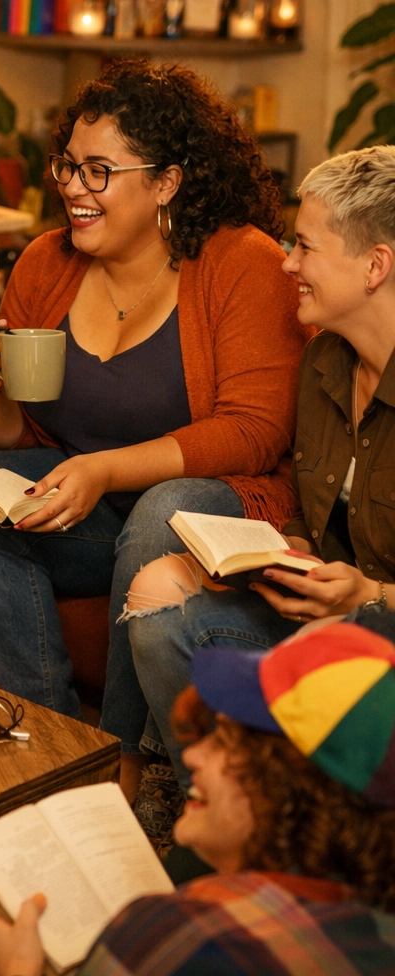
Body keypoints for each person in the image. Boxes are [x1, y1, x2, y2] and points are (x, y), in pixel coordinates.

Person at [0, 59, 307, 799]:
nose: (73, 186)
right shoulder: (46, 263)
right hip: (86, 508)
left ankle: (117, 752)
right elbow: (15, 438)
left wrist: (106, 469)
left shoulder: (242, 263)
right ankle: (37, 735)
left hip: (207, 511)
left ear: (165, 182)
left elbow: (255, 433)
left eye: (99, 170)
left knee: (159, 509)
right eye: (68, 165)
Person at [125, 144, 395, 785]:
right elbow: (312, 512)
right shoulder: (325, 362)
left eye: (305, 247)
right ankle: (208, 801)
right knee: (158, 600)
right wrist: (292, 553)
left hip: (376, 630)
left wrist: (372, 595)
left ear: (375, 266)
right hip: (336, 618)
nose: (287, 263)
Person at [0, 621, 395, 976]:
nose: (192, 754)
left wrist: (18, 969)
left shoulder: (178, 935)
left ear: (292, 789)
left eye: (227, 742)